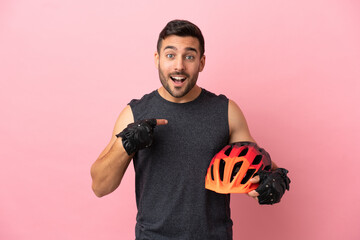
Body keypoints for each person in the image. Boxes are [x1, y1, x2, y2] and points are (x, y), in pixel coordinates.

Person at [91, 19, 290, 240]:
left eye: (189, 56)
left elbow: (256, 160)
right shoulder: (134, 113)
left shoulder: (226, 111)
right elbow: (100, 186)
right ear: (157, 60)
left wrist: (277, 179)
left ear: (201, 62)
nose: (179, 66)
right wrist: (126, 143)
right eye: (170, 55)